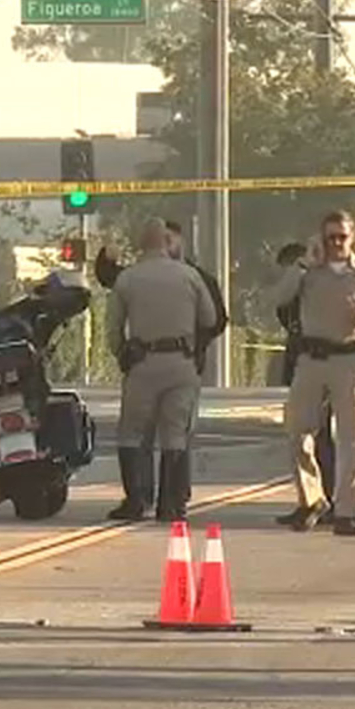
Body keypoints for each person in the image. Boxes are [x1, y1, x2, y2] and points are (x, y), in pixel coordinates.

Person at [270, 211, 355, 537]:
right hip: (311, 358)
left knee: (351, 439)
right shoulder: (308, 271)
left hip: (350, 360)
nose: (336, 243)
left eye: (342, 237)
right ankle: (312, 499)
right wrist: (302, 264)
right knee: (298, 430)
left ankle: (347, 512)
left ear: (351, 237)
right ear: (321, 238)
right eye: (330, 237)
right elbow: (278, 298)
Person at [104, 219, 218, 522]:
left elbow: (112, 327)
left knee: (131, 432)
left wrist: (122, 355)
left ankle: (136, 500)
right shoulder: (190, 276)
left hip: (143, 363)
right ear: (167, 242)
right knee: (175, 433)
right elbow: (209, 318)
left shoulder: (128, 279)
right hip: (181, 363)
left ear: (141, 243)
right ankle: (172, 504)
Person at [272, 241, 336, 513]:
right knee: (304, 436)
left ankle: (326, 499)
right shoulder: (296, 295)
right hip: (304, 365)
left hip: (324, 365)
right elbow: (281, 306)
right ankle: (314, 499)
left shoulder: (323, 288)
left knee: (318, 437)